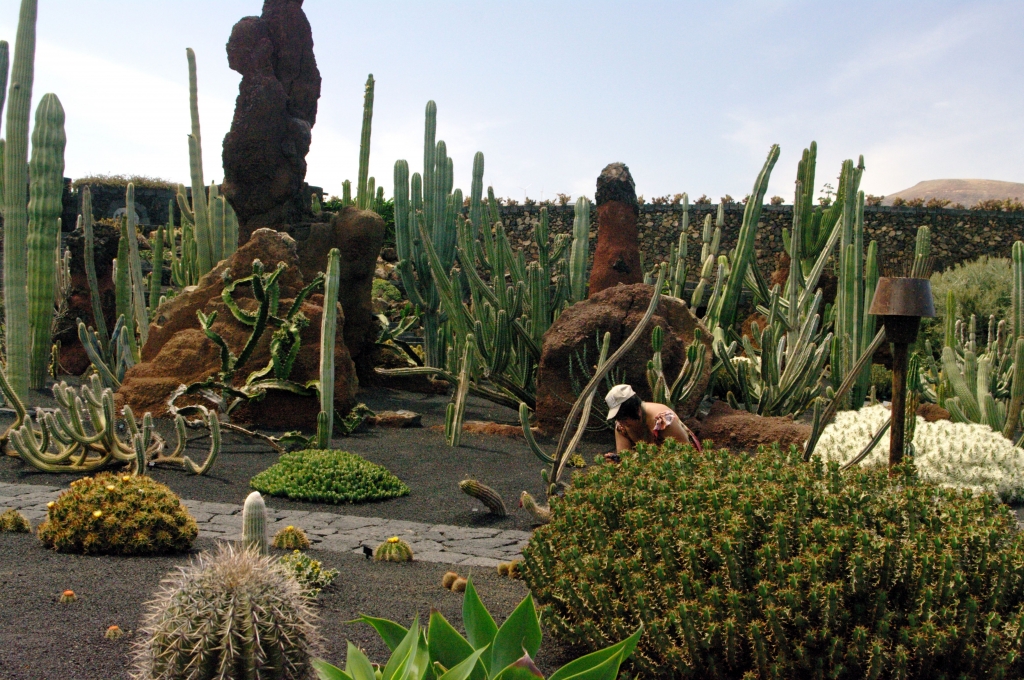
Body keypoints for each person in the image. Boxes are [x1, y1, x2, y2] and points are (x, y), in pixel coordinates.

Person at [604, 384, 700, 462]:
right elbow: (625, 458)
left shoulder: (663, 420)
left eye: (625, 417)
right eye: (618, 418)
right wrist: (617, 460)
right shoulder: (621, 427)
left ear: (636, 409)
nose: (622, 422)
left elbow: (685, 451)